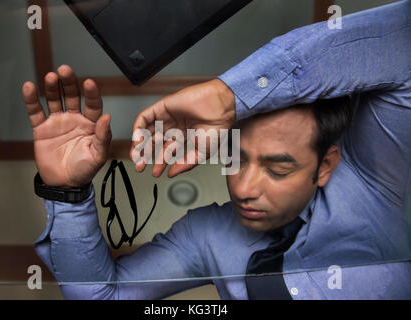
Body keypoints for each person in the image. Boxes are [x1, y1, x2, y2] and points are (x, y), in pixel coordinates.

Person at [22, 1, 411, 299]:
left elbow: (403, 38)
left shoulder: (371, 183)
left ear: (325, 165)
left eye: (278, 169)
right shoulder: (207, 234)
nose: (243, 188)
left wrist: (231, 96)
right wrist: (66, 193)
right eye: (235, 158)